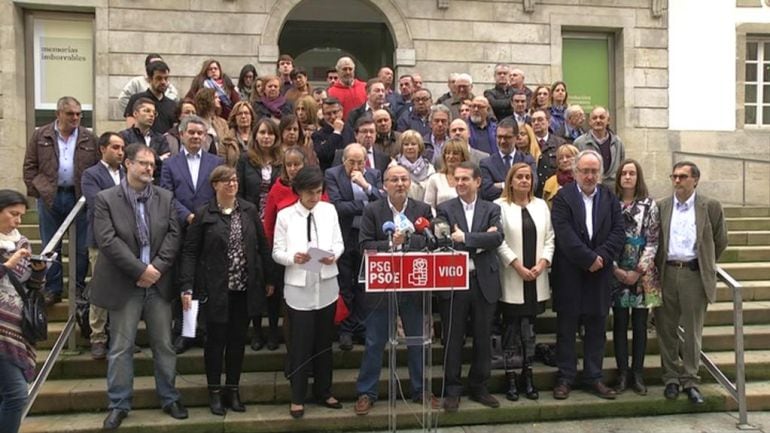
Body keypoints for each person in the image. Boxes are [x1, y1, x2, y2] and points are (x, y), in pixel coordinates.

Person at [90, 143, 186, 430]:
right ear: (127, 165)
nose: (148, 169)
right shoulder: (106, 199)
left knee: (164, 345)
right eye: (143, 163)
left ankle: (169, 397)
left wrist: (155, 268)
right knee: (120, 347)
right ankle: (119, 403)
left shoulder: (165, 197)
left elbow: (173, 235)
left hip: (158, 283)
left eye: (152, 165)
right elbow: (107, 241)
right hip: (125, 283)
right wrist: (139, 270)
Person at [179, 165, 273, 416]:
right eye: (225, 180)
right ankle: (215, 392)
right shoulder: (203, 214)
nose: (232, 184)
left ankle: (233, 389)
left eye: (234, 180)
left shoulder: (249, 210)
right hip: (215, 289)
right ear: (215, 185)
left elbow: (262, 246)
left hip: (244, 287)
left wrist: (268, 278)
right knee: (215, 342)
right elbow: (189, 252)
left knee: (237, 342)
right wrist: (187, 286)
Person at [354, 165, 435, 415]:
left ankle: (421, 389)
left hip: (413, 284)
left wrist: (408, 242)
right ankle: (367, 392)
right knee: (375, 340)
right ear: (385, 184)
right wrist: (391, 243)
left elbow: (429, 241)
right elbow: (364, 244)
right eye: (394, 180)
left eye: (404, 179)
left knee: (417, 339)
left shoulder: (421, 210)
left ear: (410, 183)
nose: (400, 184)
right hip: (382, 284)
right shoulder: (373, 210)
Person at [550, 149, 624, 401]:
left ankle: (594, 376)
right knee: (566, 328)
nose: (589, 176)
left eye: (594, 171)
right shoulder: (563, 198)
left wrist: (599, 257)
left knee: (596, 328)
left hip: (600, 275)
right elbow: (564, 234)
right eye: (585, 171)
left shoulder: (610, 198)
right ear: (575, 172)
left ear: (600, 174)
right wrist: (588, 258)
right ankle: (566, 377)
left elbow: (618, 232)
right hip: (570, 274)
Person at [272, 166, 345, 419]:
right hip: (298, 286)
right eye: (310, 193)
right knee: (300, 344)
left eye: (318, 192)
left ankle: (324, 390)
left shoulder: (329, 211)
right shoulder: (285, 215)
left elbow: (339, 243)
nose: (315, 197)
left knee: (324, 342)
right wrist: (294, 257)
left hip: (326, 284)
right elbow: (277, 252)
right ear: (299, 192)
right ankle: (298, 395)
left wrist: (332, 255)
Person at [655, 161, 727, 404]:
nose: (677, 181)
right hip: (667, 272)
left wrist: (706, 262)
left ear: (695, 180)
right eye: (674, 176)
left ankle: (691, 379)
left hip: (694, 274)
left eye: (683, 177)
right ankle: (671, 379)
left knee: (693, 330)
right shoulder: (663, 206)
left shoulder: (710, 207)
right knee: (666, 329)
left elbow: (720, 240)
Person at [436, 161, 504, 412]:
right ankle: (452, 389)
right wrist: (481, 240)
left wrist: (465, 238)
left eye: (466, 179)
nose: (461, 183)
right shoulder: (444, 209)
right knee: (453, 337)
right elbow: (443, 240)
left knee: (483, 336)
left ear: (478, 182)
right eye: (457, 179)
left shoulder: (491, 208)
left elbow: (497, 238)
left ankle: (479, 386)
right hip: (454, 280)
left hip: (484, 281)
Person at [23, 96, 97, 306]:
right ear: (58, 114)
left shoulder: (89, 138)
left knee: (82, 247)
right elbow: (29, 166)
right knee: (50, 246)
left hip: (79, 197)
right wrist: (38, 190)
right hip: (50, 197)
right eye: (70, 114)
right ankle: (53, 289)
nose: (75, 118)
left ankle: (77, 289)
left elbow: (96, 167)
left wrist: (90, 194)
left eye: (78, 114)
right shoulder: (40, 135)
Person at [495, 163, 554, 401]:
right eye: (519, 177)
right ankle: (510, 378)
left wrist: (542, 263)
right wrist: (517, 265)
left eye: (528, 177)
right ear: (510, 180)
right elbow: (498, 240)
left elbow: (550, 237)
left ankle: (528, 376)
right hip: (512, 276)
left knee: (529, 331)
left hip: (536, 276)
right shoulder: (500, 206)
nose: (523, 181)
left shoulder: (540, 206)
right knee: (511, 331)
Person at [610, 159, 661, 396]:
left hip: (642, 275)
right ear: (619, 177)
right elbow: (604, 238)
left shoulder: (649, 205)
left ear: (638, 177)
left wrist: (638, 271)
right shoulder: (611, 203)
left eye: (632, 173)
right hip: (616, 272)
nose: (628, 177)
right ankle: (622, 373)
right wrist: (616, 269)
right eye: (624, 173)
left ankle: (638, 373)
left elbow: (653, 241)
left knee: (640, 325)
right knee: (620, 324)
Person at [325, 143, 384, 350]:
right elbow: (337, 206)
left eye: (360, 162)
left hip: (367, 236)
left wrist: (366, 186)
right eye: (352, 162)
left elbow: (382, 202)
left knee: (365, 284)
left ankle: (361, 326)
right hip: (345, 234)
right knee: (345, 284)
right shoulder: (332, 174)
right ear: (344, 161)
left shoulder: (374, 174)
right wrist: (366, 206)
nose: (357, 166)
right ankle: (345, 329)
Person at [0, 190, 47, 433]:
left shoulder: (22, 243)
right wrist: (8, 264)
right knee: (17, 395)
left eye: (21, 215)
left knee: (6, 396)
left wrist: (39, 271)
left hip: (18, 327)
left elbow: (31, 288)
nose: (18, 221)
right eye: (13, 214)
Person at [236, 118, 282, 350]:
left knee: (273, 277)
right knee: (255, 278)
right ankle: (256, 331)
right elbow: (240, 192)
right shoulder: (245, 160)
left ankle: (273, 331)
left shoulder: (282, 161)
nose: (266, 137)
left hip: (277, 226)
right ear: (255, 135)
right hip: (251, 223)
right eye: (262, 133)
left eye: (271, 133)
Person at [81, 132, 126, 360]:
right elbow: (97, 203)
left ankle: (120, 337)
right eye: (115, 147)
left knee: (123, 290)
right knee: (100, 289)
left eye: (122, 148)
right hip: (100, 241)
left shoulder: (127, 172)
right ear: (102, 149)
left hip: (127, 242)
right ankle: (98, 337)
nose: (120, 152)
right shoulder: (91, 174)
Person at [479, 118, 536, 202]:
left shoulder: (527, 161)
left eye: (507, 137)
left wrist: (500, 185)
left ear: (517, 138)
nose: (502, 141)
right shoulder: (486, 163)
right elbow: (486, 191)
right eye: (499, 137)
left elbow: (533, 186)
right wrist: (517, 185)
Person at [119, 97, 171, 181]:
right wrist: (158, 158)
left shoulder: (161, 139)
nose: (151, 115)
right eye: (146, 111)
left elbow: (165, 165)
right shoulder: (124, 136)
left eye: (154, 113)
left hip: (155, 185)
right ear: (135, 114)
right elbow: (126, 163)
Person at [574, 106, 625, 188]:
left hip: (613, 191)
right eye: (594, 118)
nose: (598, 120)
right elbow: (575, 170)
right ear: (590, 122)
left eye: (602, 117)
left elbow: (622, 167)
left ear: (608, 121)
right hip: (588, 189)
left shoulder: (618, 143)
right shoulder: (579, 143)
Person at [124, 61, 178, 134]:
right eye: (159, 78)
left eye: (166, 78)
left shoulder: (172, 105)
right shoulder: (136, 99)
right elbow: (130, 131)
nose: (163, 82)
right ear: (149, 79)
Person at [424, 138, 469, 211]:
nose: (450, 157)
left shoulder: (469, 179)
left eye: (455, 153)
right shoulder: (435, 179)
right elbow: (429, 207)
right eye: (448, 153)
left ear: (463, 157)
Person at [312, 97, 356, 171]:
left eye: (335, 112)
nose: (332, 117)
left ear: (341, 111)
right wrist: (336, 132)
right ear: (323, 115)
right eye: (328, 114)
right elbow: (323, 155)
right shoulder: (317, 135)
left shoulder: (350, 131)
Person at [390, 130, 435, 201]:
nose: (410, 147)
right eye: (406, 144)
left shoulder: (429, 169)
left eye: (413, 144)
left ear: (419, 147)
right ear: (401, 148)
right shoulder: (393, 167)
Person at [532, 108, 567, 197]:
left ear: (549, 122)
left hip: (553, 192)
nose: (536, 123)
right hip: (532, 193)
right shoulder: (527, 143)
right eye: (533, 120)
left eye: (540, 119)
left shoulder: (560, 143)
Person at [327, 56, 367, 120]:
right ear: (338, 71)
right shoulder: (331, 92)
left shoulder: (364, 87)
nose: (348, 72)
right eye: (344, 69)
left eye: (350, 69)